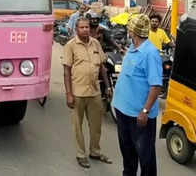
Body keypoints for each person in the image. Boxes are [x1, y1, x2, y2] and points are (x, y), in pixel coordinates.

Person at [112, 14, 162, 176]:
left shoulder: (150, 53)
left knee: (145, 157)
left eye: (129, 28)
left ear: (133, 31)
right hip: (123, 112)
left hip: (139, 117)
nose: (128, 31)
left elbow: (156, 86)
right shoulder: (133, 48)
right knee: (127, 152)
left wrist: (145, 111)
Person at [63, 17, 113, 169]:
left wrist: (108, 86)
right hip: (78, 92)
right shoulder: (70, 46)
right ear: (77, 29)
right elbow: (66, 71)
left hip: (95, 91)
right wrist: (68, 94)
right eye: (82, 27)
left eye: (87, 27)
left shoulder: (96, 43)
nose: (85, 30)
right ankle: (81, 154)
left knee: (96, 125)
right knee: (78, 126)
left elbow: (102, 67)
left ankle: (95, 152)